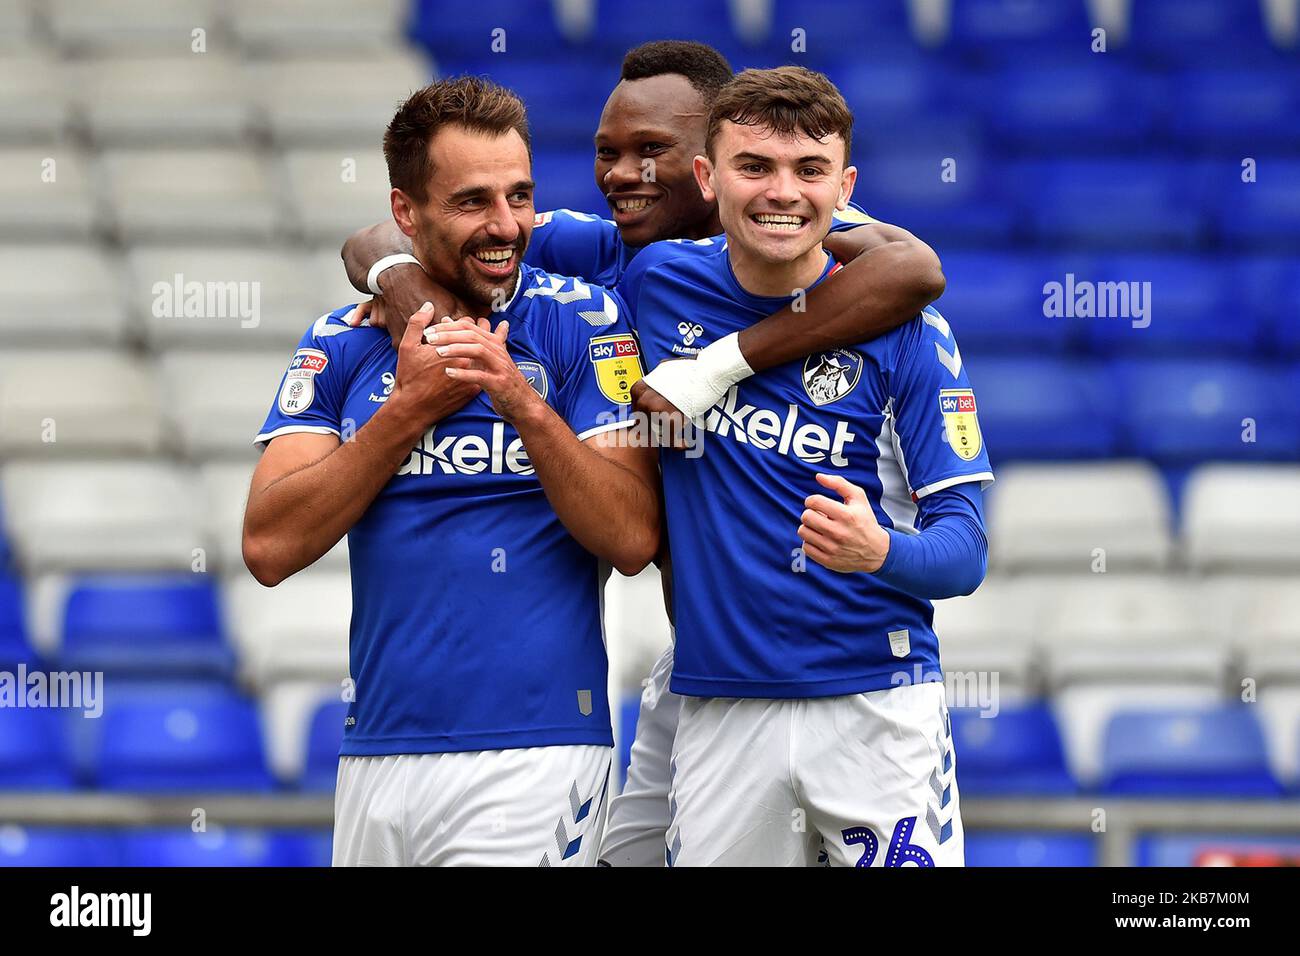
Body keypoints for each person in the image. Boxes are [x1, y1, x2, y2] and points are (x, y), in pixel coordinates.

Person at [337, 41, 950, 867]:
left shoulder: (793, 217)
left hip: (843, 676)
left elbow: (914, 268)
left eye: (650, 150)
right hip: (704, 671)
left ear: (708, 162)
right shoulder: (610, 251)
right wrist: (412, 296)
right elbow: (378, 234)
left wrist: (719, 364)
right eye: (606, 152)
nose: (622, 174)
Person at [242, 76, 660, 866]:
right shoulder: (344, 337)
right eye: (473, 202)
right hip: (374, 759)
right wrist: (407, 411)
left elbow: (633, 536)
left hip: (535, 756)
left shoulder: (583, 321)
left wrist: (523, 405)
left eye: (521, 196)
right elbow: (268, 546)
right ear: (407, 213)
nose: (506, 225)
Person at [617, 66, 994, 866]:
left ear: (845, 186)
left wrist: (880, 550)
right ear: (706, 177)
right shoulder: (654, 284)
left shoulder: (911, 333)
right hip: (720, 708)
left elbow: (965, 553)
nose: (781, 193)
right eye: (754, 167)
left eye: (809, 170)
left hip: (878, 708)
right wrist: (393, 275)